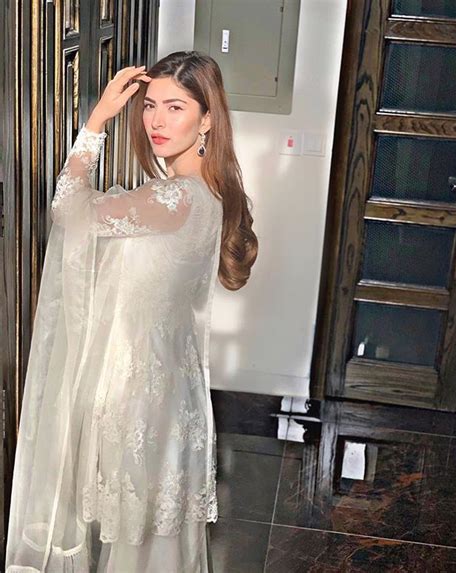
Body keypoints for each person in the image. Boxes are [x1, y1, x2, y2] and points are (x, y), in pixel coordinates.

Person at [5, 50, 258, 573]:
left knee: (137, 545)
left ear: (206, 119)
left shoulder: (175, 198)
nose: (157, 121)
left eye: (175, 107)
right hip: (169, 392)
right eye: (149, 106)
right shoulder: (208, 192)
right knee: (151, 545)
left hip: (139, 397)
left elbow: (68, 209)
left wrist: (97, 119)